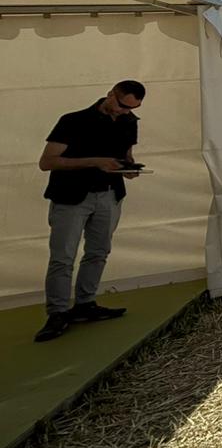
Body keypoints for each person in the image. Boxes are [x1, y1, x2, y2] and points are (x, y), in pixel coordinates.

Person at [33, 81, 147, 342]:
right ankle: (57, 313)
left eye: (132, 108)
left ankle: (85, 304)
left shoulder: (129, 121)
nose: (125, 111)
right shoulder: (73, 121)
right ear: (110, 95)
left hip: (109, 195)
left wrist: (128, 169)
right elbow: (47, 162)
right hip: (71, 196)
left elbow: (126, 155)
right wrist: (95, 162)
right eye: (122, 105)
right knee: (63, 257)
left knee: (98, 252)